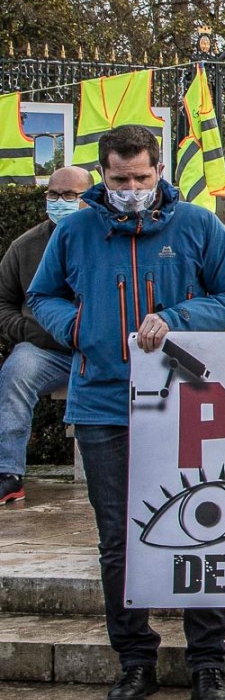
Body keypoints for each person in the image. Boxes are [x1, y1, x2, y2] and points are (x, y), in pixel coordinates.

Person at [27, 124, 225, 700]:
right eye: (119, 179)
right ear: (102, 175)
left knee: (203, 526)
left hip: (185, 403)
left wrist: (177, 317)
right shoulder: (74, 230)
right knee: (118, 539)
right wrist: (78, 328)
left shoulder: (198, 224)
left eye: (140, 177)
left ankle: (208, 664)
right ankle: (134, 661)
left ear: (159, 172)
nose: (130, 189)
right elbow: (41, 296)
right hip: (102, 402)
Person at [0, 166, 92, 504]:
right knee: (16, 374)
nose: (59, 201)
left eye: (69, 195)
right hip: (46, 351)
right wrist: (28, 331)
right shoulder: (25, 246)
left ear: (90, 198)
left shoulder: (110, 239)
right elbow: (3, 301)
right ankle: (8, 474)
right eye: (53, 194)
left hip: (101, 349)